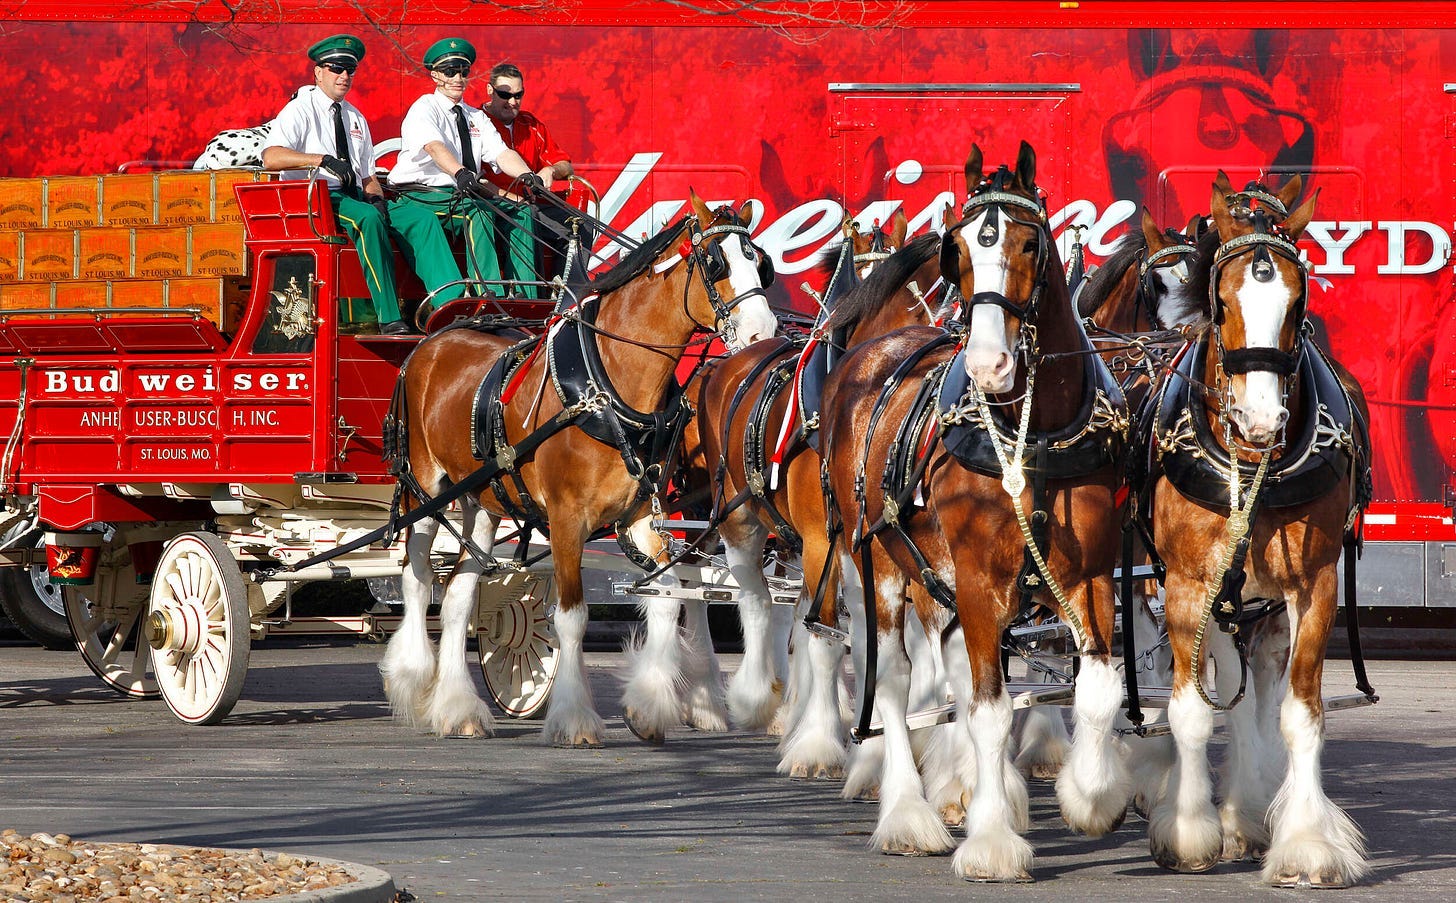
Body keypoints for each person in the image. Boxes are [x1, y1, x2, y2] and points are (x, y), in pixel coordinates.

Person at [261, 34, 411, 335]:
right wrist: (322, 159)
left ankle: (443, 305)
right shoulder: (300, 109)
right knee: (367, 219)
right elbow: (271, 157)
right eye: (336, 68)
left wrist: (377, 200)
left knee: (416, 217)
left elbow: (368, 175)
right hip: (316, 197)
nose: (344, 76)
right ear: (318, 72)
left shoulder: (355, 117)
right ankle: (388, 316)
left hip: (352, 194)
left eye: (350, 71)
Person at [387, 38, 544, 308]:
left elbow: (501, 153)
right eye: (449, 72)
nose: (458, 78)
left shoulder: (475, 116)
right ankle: (489, 297)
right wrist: (460, 173)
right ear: (435, 75)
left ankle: (525, 299)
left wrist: (529, 176)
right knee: (478, 211)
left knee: (522, 213)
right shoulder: (425, 108)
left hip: (461, 193)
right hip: (422, 194)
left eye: (463, 71)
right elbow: (434, 147)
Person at [481, 62, 589, 293]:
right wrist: (514, 199)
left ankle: (566, 296)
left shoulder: (530, 124)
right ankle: (535, 296)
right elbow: (476, 179)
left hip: (529, 203)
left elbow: (565, 165)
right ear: (490, 90)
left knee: (580, 225)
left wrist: (550, 170)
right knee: (529, 217)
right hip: (491, 204)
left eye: (518, 95)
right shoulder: (477, 122)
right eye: (505, 94)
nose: (512, 102)